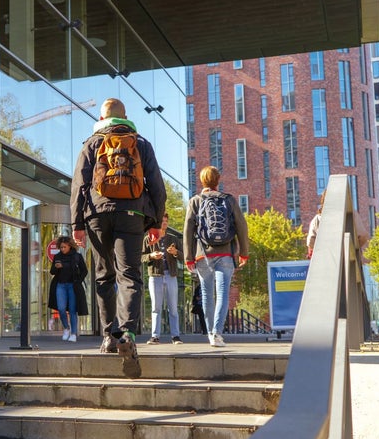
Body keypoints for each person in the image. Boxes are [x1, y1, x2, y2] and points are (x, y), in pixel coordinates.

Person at [71, 98, 166, 378]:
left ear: (101, 118)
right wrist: (156, 222)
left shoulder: (93, 142)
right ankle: (127, 334)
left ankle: (108, 336)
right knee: (130, 275)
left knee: (104, 275)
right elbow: (156, 185)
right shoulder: (141, 143)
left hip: (98, 214)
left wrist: (77, 223)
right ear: (126, 116)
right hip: (133, 214)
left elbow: (79, 183)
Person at [183, 166, 248, 347]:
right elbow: (242, 226)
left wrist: (188, 257)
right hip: (225, 253)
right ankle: (217, 334)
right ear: (217, 181)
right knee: (223, 293)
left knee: (206, 294)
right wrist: (244, 253)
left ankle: (210, 333)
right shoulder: (229, 200)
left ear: (202, 181)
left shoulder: (195, 201)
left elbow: (188, 230)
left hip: (202, 254)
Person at [142, 213, 184, 344]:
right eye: (162, 221)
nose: (164, 223)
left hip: (171, 275)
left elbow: (184, 257)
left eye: (166, 221)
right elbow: (141, 257)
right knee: (156, 307)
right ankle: (155, 336)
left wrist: (175, 252)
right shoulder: (148, 239)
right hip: (155, 276)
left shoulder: (174, 239)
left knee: (173, 307)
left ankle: (175, 336)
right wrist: (151, 256)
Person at [306, 188, 370, 259]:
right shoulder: (351, 214)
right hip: (347, 261)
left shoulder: (317, 219)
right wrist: (352, 248)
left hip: (326, 262)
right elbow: (363, 235)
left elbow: (310, 242)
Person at [47, 236, 89, 342]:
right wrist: (56, 267)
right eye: (60, 247)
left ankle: (74, 333)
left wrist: (78, 281)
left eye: (64, 247)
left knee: (72, 310)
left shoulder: (77, 256)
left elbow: (84, 270)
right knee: (61, 308)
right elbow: (52, 272)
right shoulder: (57, 257)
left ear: (69, 246)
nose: (62, 249)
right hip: (60, 285)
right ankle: (66, 328)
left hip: (72, 286)